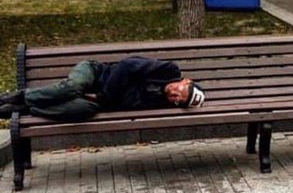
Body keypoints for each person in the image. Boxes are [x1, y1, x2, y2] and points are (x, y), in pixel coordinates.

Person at [0, 56, 205, 122]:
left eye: (179, 102)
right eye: (181, 93)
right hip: (94, 73)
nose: (175, 98)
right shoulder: (168, 70)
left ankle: (25, 110)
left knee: (83, 109)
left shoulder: (157, 102)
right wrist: (104, 96)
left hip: (98, 98)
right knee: (73, 87)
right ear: (186, 81)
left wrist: (101, 99)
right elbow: (126, 66)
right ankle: (19, 97)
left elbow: (124, 104)